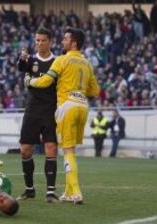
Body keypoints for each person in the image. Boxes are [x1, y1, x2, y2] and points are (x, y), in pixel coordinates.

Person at [25, 28, 100, 204]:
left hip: (67, 105)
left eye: (66, 38)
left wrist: (30, 81)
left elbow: (46, 81)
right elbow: (95, 91)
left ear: (73, 43)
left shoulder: (62, 59)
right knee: (71, 148)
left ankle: (76, 192)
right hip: (83, 106)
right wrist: (80, 89)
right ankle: (68, 191)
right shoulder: (87, 63)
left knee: (68, 150)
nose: (62, 41)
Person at [16, 28, 58, 203]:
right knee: (25, 150)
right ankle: (29, 189)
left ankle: (50, 192)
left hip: (50, 109)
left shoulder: (57, 62)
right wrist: (22, 59)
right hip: (33, 109)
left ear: (50, 41)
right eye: (37, 40)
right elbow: (21, 68)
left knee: (51, 149)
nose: (39, 43)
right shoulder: (31, 59)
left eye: (43, 40)